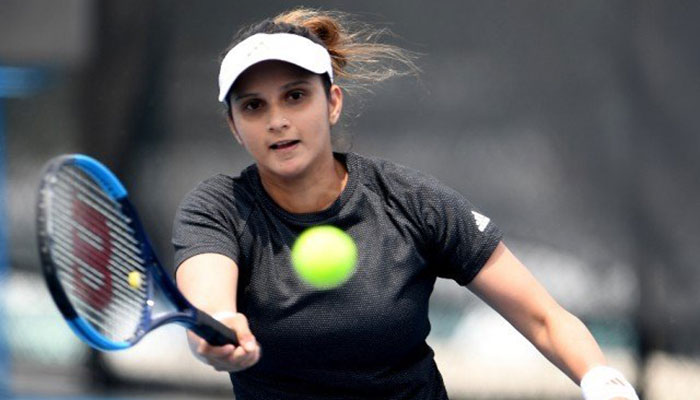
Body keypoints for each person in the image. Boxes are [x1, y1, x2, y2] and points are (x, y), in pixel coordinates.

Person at [173, 8, 639, 400]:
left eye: (295, 96)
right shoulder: (217, 208)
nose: (277, 120)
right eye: (253, 106)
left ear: (332, 102)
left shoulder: (410, 201)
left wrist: (603, 381)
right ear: (234, 126)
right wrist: (217, 331)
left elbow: (544, 317)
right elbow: (208, 304)